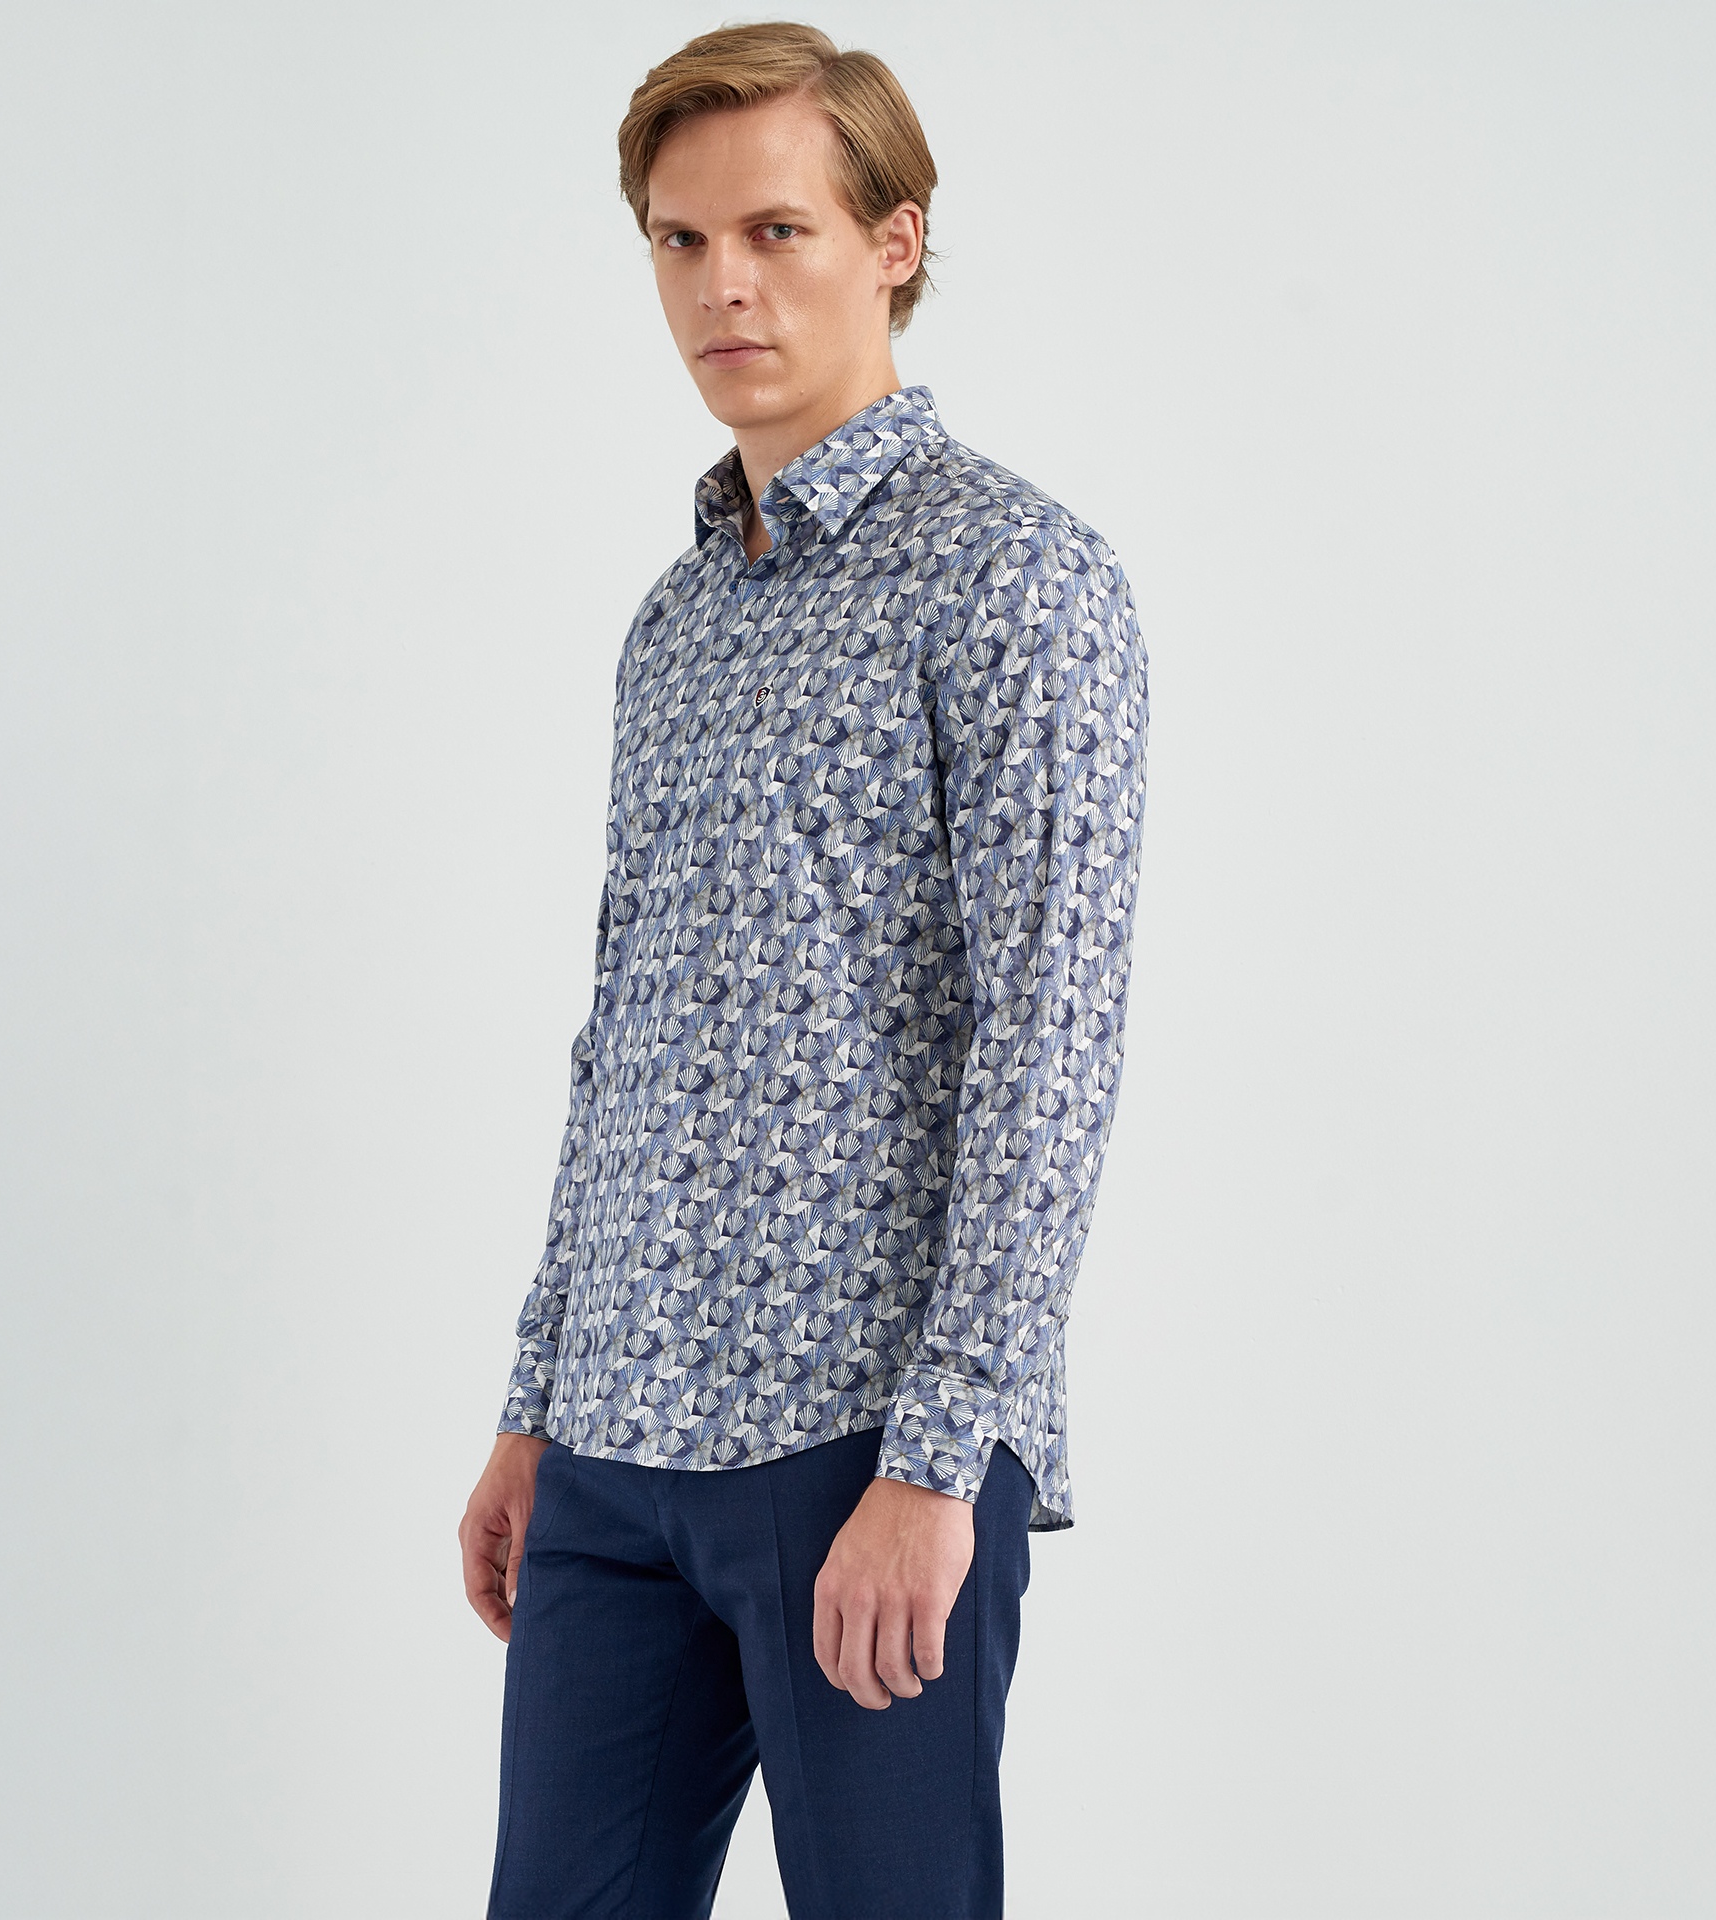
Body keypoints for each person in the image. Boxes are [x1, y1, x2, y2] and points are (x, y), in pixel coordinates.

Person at [459, 20, 1148, 1918]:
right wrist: (536, 1401)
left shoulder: (1018, 578)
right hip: (614, 1445)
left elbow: (1051, 1041)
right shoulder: (676, 617)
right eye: (680, 243)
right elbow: (623, 1032)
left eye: (775, 230)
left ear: (893, 241)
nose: (723, 287)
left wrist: (941, 1456)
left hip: (864, 1443)